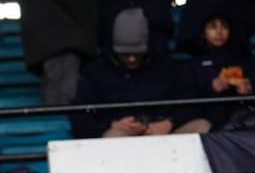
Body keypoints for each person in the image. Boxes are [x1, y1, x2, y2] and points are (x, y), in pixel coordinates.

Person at [73, 8, 206, 137]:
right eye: (125, 54)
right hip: (121, 136)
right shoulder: (96, 72)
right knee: (113, 137)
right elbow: (81, 118)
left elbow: (191, 105)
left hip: (164, 134)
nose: (131, 59)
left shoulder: (167, 66)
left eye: (137, 54)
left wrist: (170, 122)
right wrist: (112, 124)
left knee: (201, 126)